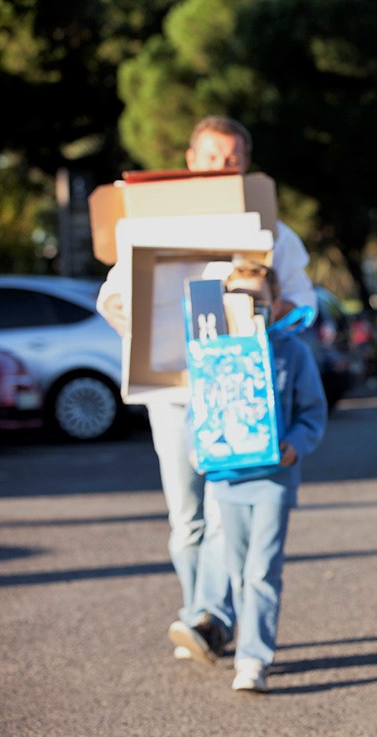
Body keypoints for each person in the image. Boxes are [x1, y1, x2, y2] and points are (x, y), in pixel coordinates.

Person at [96, 115, 317, 662]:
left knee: (222, 510)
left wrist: (271, 309)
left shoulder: (272, 229)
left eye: (234, 158)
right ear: (191, 161)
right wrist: (117, 307)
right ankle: (200, 613)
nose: (224, 166)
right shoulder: (149, 224)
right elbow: (111, 296)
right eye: (214, 157)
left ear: (245, 163)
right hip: (169, 390)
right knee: (186, 517)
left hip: (235, 388)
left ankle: (208, 619)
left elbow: (306, 306)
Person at [168, 260, 327, 692]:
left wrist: (296, 445)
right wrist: (198, 451)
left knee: (262, 570)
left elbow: (313, 411)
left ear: (275, 303)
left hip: (274, 480)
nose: (251, 306)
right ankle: (240, 642)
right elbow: (195, 413)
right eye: (240, 298)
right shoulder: (211, 352)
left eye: (259, 298)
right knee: (237, 571)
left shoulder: (292, 352)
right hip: (227, 480)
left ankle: (254, 659)